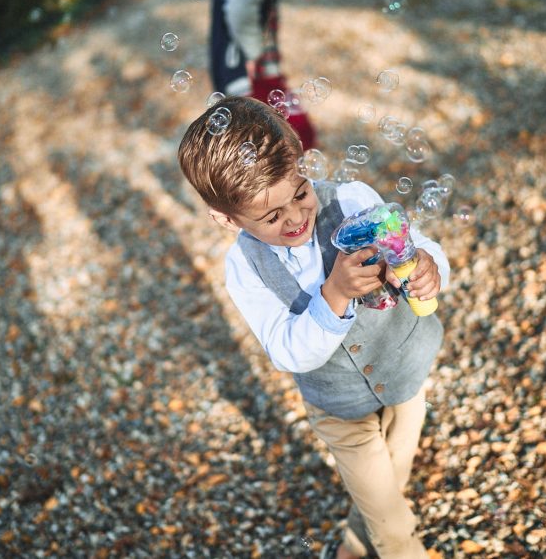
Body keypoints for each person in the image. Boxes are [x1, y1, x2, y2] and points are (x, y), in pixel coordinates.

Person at [178, 97, 449, 559]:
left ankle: (353, 545)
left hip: (405, 371)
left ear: (303, 163)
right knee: (389, 516)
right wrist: (335, 296)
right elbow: (287, 352)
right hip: (340, 409)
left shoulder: (351, 199)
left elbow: (415, 246)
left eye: (300, 194)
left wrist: (428, 265)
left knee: (390, 481)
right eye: (271, 216)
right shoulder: (245, 267)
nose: (298, 218)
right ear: (226, 219)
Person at [209, 0, 320, 150]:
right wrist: (254, 54)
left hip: (227, 66)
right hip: (253, 71)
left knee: (252, 138)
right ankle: (290, 181)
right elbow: (239, 11)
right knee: (298, 134)